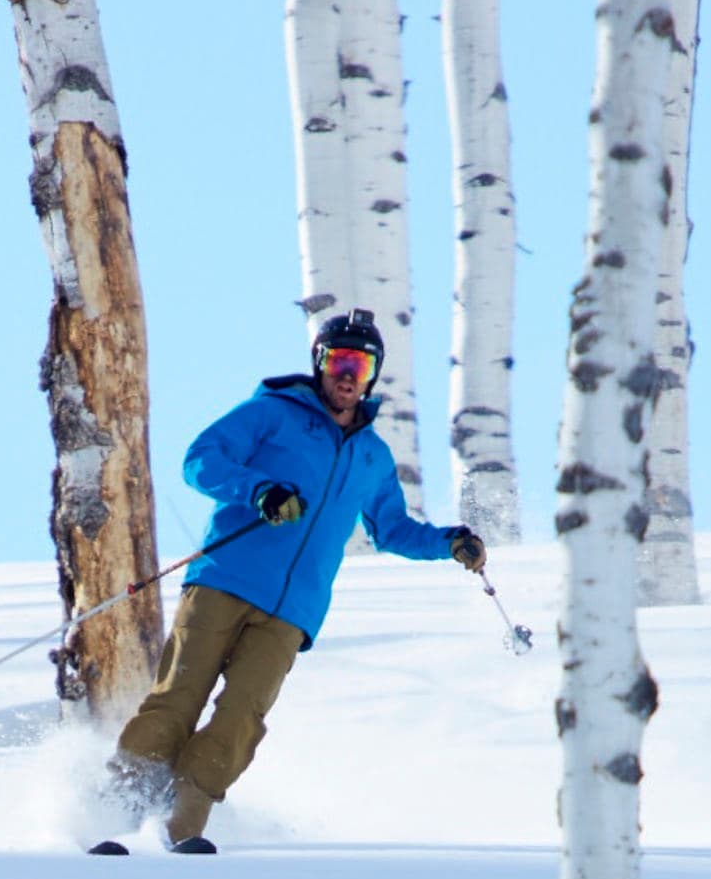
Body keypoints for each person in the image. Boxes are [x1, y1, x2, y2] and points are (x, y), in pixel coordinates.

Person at [107, 310, 487, 851]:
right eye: (339, 360)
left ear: (374, 373)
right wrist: (259, 489)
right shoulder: (271, 414)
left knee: (241, 719)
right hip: (224, 582)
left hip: (291, 614)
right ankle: (117, 818)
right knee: (178, 698)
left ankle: (179, 829)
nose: (348, 373)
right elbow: (200, 460)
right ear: (320, 363)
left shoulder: (373, 457)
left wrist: (448, 542)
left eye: (361, 362)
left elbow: (393, 529)